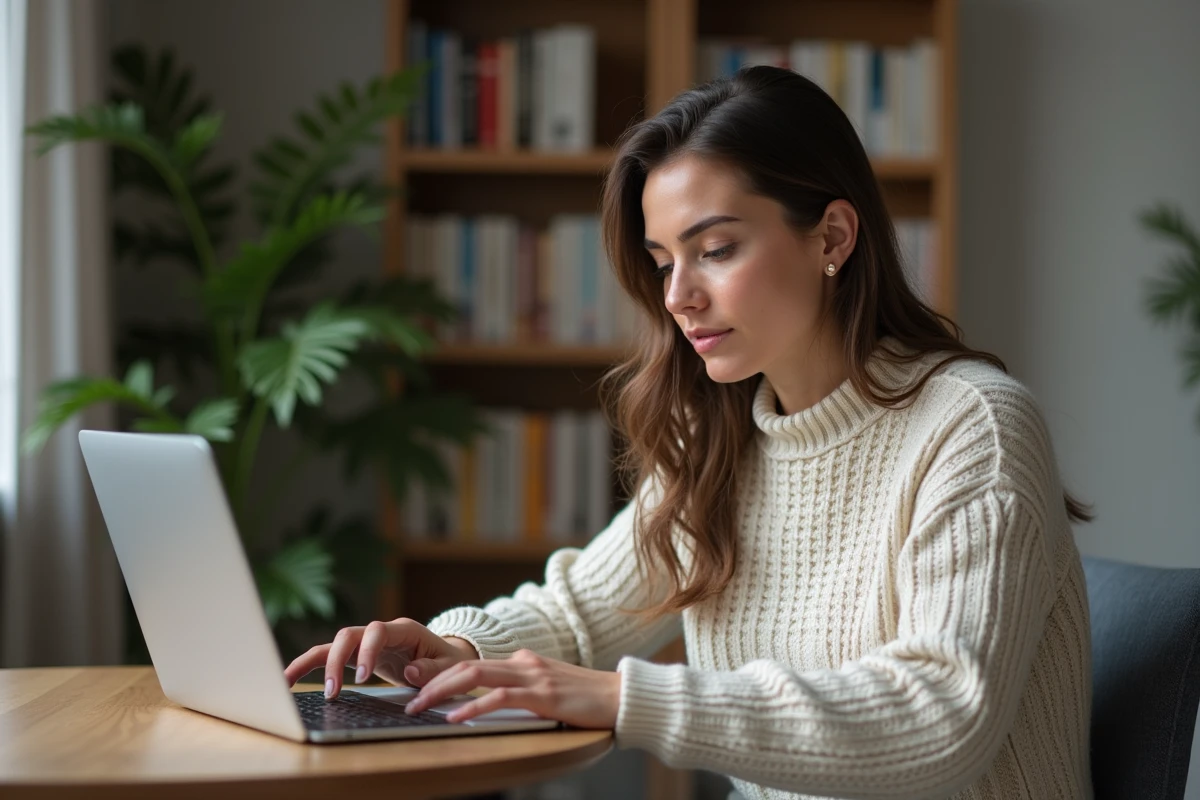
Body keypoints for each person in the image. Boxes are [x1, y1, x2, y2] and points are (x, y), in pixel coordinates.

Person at [284, 66, 1093, 799]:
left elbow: (941, 715)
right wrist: (447, 650)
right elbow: (576, 618)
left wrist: (619, 698)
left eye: (715, 249)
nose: (678, 296)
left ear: (833, 238)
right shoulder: (721, 442)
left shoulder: (972, 427)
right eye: (663, 260)